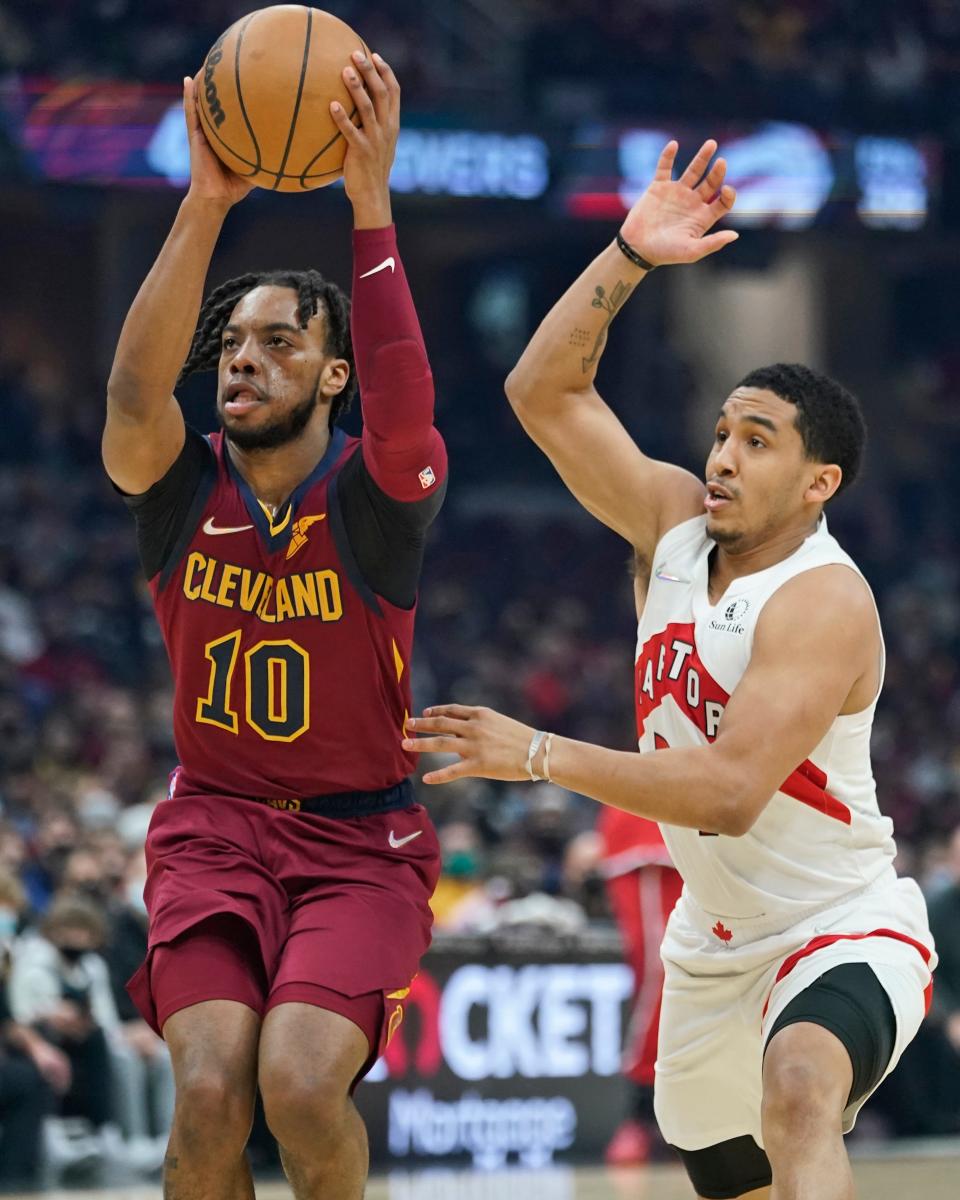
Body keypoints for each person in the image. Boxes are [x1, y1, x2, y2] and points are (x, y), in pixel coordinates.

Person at [402, 139, 936, 1200]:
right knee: (726, 1167)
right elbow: (542, 393)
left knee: (799, 1093)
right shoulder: (670, 526)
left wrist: (540, 753)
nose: (724, 456)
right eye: (724, 430)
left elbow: (732, 794)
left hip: (839, 921)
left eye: (760, 441)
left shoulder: (825, 599)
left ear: (819, 480)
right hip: (712, 944)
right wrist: (628, 255)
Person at [102, 52, 444, 1200]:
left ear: (336, 376)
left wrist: (370, 205)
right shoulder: (177, 489)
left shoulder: (375, 502)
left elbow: (409, 403)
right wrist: (206, 201)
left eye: (281, 343)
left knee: (301, 1086)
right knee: (208, 1097)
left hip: (361, 848)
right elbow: (134, 399)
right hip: (214, 831)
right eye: (234, 345)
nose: (244, 359)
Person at [597, 806, 683, 1166]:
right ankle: (641, 1111)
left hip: (724, 821)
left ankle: (689, 1116)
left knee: (719, 970)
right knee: (661, 973)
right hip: (654, 826)